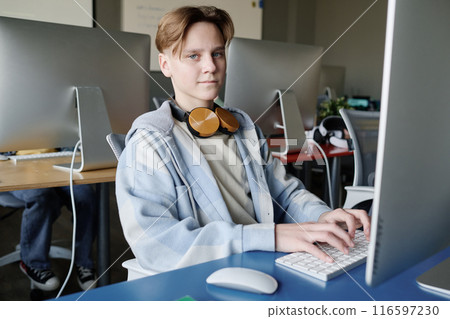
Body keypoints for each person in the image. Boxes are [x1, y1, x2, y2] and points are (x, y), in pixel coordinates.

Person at [115, 6, 370, 276]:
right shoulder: (150, 141)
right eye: (193, 56)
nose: (211, 66)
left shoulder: (242, 127)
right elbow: (157, 245)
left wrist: (321, 216)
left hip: (260, 264)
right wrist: (270, 237)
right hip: (206, 277)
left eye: (217, 53)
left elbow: (285, 194)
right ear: (165, 65)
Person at [5, 150, 98, 291]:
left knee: (85, 195)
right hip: (13, 165)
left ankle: (84, 261)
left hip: (56, 160)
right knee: (41, 196)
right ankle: (32, 263)